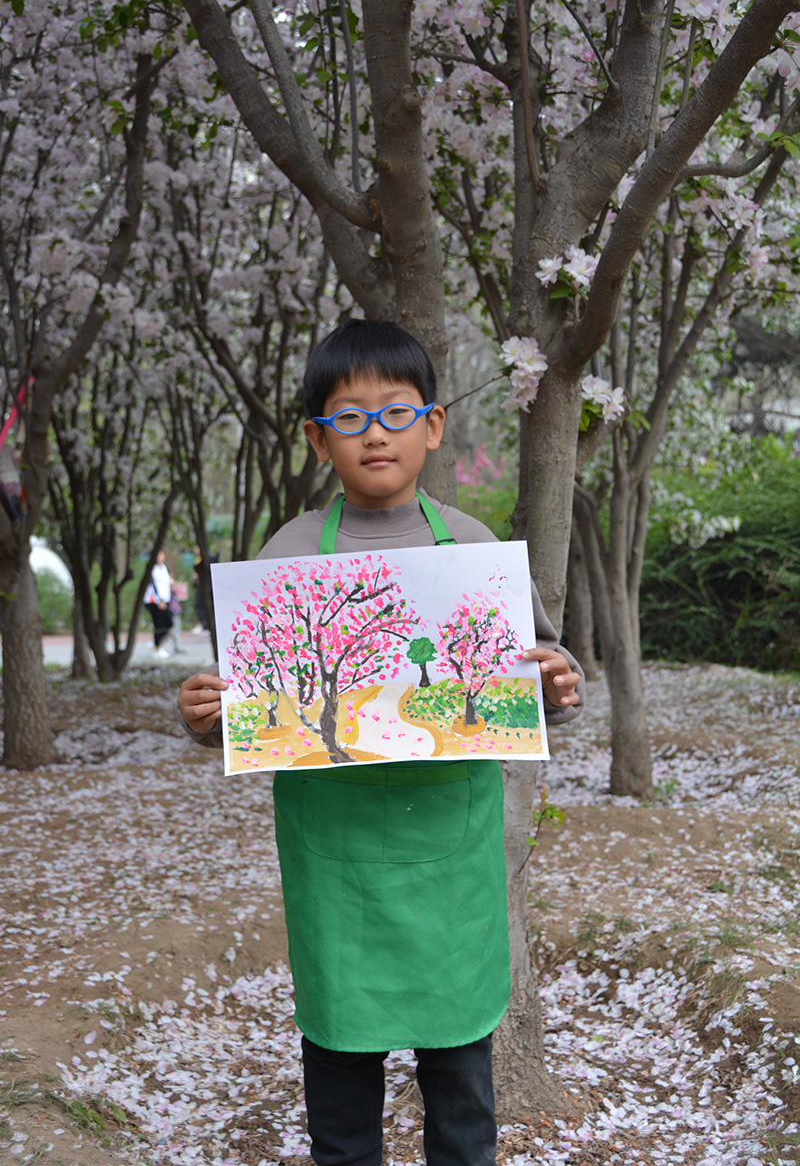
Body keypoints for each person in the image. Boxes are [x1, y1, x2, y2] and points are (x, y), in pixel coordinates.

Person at [178, 319, 583, 1166]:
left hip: (452, 862)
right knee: (340, 1091)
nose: (374, 435)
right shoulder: (286, 558)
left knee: (463, 1090)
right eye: (349, 417)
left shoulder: (475, 551)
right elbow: (248, 708)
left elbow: (540, 682)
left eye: (395, 413)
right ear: (316, 439)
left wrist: (558, 684)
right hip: (338, 867)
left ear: (433, 426)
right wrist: (204, 716)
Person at [144, 548, 173, 658]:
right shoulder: (151, 568)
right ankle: (158, 647)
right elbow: (152, 586)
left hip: (165, 601)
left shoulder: (164, 568)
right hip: (155, 602)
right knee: (159, 624)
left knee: (169, 623)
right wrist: (158, 601)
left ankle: (157, 641)